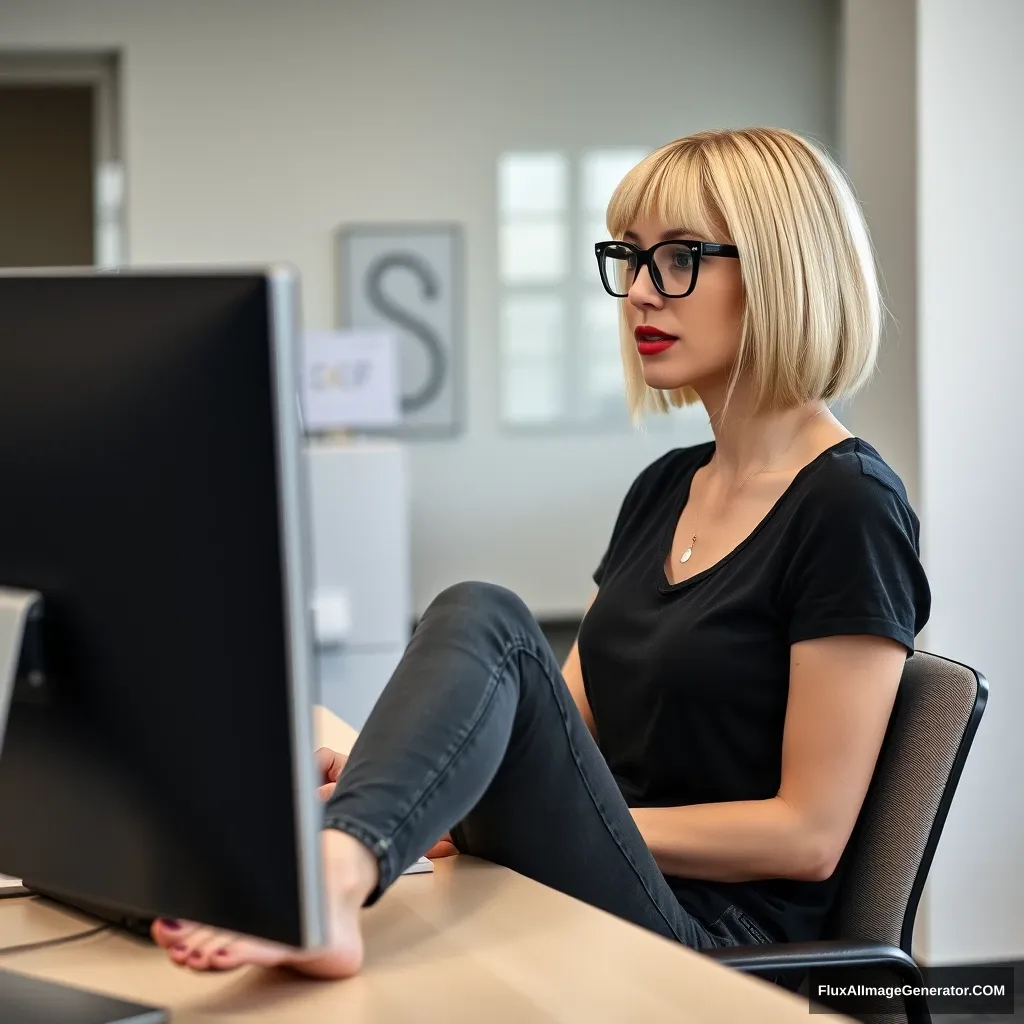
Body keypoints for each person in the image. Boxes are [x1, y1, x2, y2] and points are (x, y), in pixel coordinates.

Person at [151, 126, 930, 976]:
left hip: (720, 944)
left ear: (781, 272)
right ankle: (345, 858)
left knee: (487, 612)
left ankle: (330, 884)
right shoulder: (666, 490)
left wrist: (519, 812)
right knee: (478, 622)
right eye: (628, 258)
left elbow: (808, 837)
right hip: (599, 891)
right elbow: (556, 727)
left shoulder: (848, 505)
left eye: (677, 259)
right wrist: (416, 783)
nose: (638, 293)